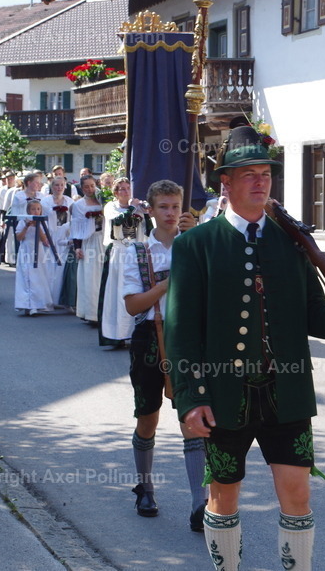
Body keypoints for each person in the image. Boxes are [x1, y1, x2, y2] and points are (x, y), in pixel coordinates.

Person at [166, 121, 325, 571]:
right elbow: (181, 330)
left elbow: (316, 316)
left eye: (265, 173)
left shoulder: (292, 244)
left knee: (298, 495)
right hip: (224, 398)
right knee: (223, 495)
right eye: (248, 173)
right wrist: (191, 398)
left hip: (285, 395)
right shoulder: (196, 245)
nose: (260, 181)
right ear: (225, 183)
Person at [122, 179, 206, 530]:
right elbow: (131, 306)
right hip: (149, 339)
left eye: (176, 206)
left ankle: (201, 503)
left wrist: (198, 238)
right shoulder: (137, 252)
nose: (171, 213)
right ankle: (145, 486)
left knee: (194, 421)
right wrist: (163, 285)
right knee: (148, 416)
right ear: (151, 211)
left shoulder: (196, 245)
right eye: (164, 207)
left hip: (188, 339)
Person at [100, 177, 149, 347]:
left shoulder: (137, 207)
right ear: (115, 192)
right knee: (118, 292)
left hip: (135, 252)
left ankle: (134, 332)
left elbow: (148, 230)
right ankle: (117, 334)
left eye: (128, 188)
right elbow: (117, 221)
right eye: (121, 188)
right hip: (118, 251)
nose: (125, 191)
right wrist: (132, 208)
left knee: (135, 289)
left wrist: (147, 212)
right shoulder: (110, 207)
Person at [69, 174, 105, 324]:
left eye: (92, 185)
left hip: (104, 240)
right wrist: (77, 248)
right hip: (89, 241)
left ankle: (104, 311)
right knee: (91, 277)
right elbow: (76, 228)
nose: (90, 189)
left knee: (104, 276)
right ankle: (91, 313)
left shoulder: (103, 200)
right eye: (86, 187)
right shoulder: (79, 206)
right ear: (82, 188)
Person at [14, 200, 54, 316]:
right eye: (33, 209)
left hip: (38, 250)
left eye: (38, 209)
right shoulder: (22, 221)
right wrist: (27, 226)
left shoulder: (41, 222)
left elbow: (44, 239)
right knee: (27, 275)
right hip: (26, 250)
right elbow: (19, 237)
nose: (36, 211)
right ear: (28, 210)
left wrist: (38, 226)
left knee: (38, 276)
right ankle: (28, 304)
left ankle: (39, 303)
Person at [44, 176, 75, 307]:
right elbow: (42, 220)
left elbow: (74, 220)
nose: (59, 188)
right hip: (50, 235)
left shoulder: (69, 201)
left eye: (62, 185)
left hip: (64, 235)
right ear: (52, 187)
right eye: (56, 185)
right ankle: (48, 298)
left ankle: (60, 299)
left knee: (62, 268)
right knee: (49, 267)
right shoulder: (45, 201)